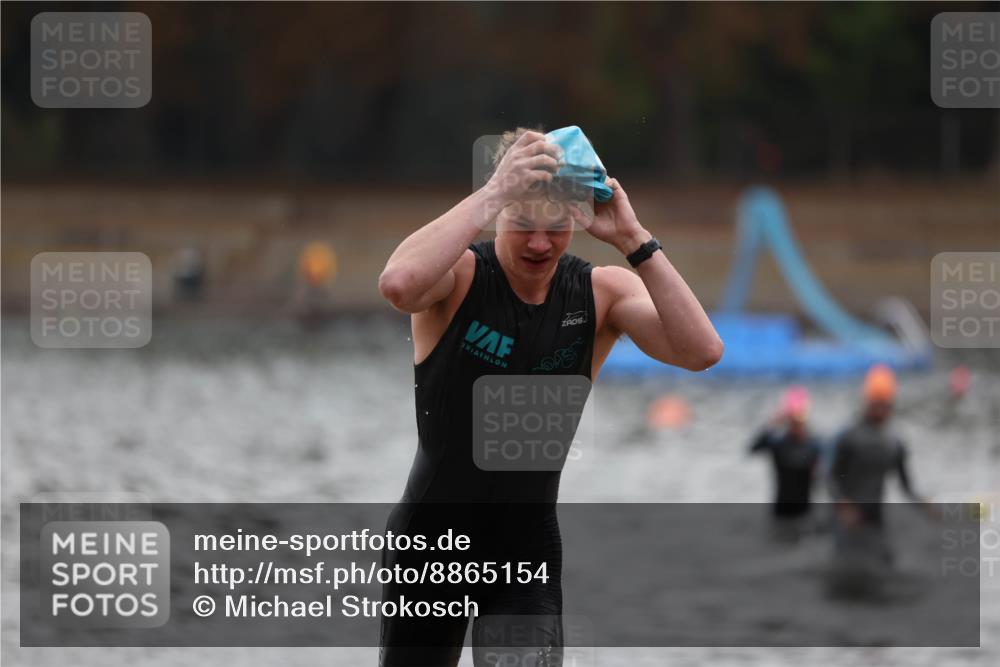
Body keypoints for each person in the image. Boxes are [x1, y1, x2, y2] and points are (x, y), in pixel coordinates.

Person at [376, 127, 723, 666]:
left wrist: (635, 241)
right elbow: (398, 284)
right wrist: (494, 191)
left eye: (555, 228)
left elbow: (702, 351)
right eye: (522, 225)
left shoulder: (601, 294)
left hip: (525, 553)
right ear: (497, 212)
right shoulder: (458, 278)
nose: (540, 244)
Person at [749, 385, 821, 538]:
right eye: (793, 422)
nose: (797, 427)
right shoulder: (778, 444)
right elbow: (752, 449)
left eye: (800, 422)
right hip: (780, 515)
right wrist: (772, 423)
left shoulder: (815, 445)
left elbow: (830, 473)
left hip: (805, 514)